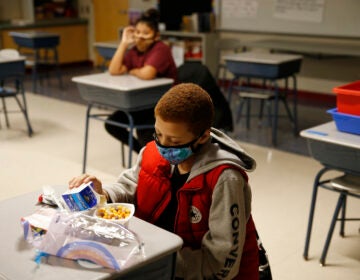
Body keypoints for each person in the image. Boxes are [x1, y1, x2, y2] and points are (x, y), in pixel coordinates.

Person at [69, 83, 259, 279]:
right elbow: (130, 187)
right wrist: (105, 194)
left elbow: (220, 264)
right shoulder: (152, 152)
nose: (163, 146)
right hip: (159, 259)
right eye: (158, 134)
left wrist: (157, 255)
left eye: (175, 142)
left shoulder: (225, 179)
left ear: (202, 136)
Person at [106, 8, 177, 153]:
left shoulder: (160, 48)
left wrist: (132, 71)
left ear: (156, 36)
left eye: (146, 33)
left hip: (162, 106)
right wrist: (124, 43)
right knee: (112, 124)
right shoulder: (134, 51)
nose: (140, 36)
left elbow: (147, 74)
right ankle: (142, 154)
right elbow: (114, 70)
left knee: (146, 136)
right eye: (137, 32)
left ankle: (148, 156)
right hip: (141, 103)